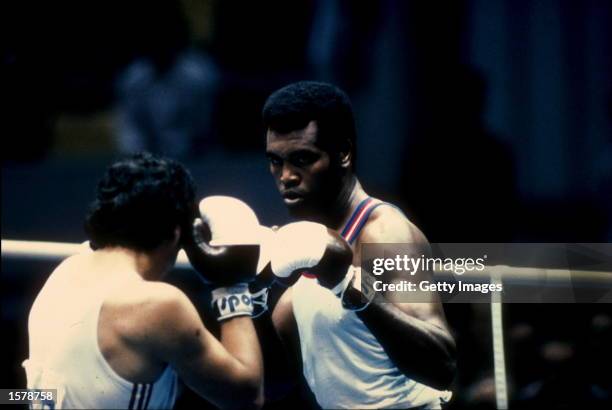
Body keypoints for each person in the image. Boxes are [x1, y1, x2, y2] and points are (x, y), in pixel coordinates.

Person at [257, 81, 456, 409]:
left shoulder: (385, 234)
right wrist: (252, 293)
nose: (286, 175)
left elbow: (442, 366)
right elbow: (274, 387)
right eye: (276, 161)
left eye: (302, 159)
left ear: (344, 154)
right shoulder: (308, 246)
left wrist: (351, 287)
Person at [23, 153, 263, 409]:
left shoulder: (64, 272)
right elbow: (248, 397)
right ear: (176, 234)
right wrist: (231, 287)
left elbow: (34, 395)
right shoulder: (155, 305)